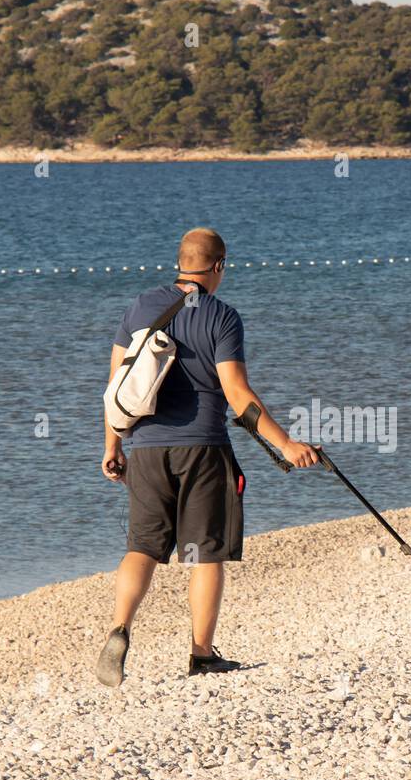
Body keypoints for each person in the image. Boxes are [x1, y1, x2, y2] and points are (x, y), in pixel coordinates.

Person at [95, 227, 318, 687]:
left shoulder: (140, 306)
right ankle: (201, 653)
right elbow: (237, 395)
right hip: (204, 449)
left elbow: (116, 386)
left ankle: (120, 627)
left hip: (147, 449)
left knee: (142, 548)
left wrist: (112, 446)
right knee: (205, 552)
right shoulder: (222, 317)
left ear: (179, 262)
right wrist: (288, 445)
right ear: (218, 266)